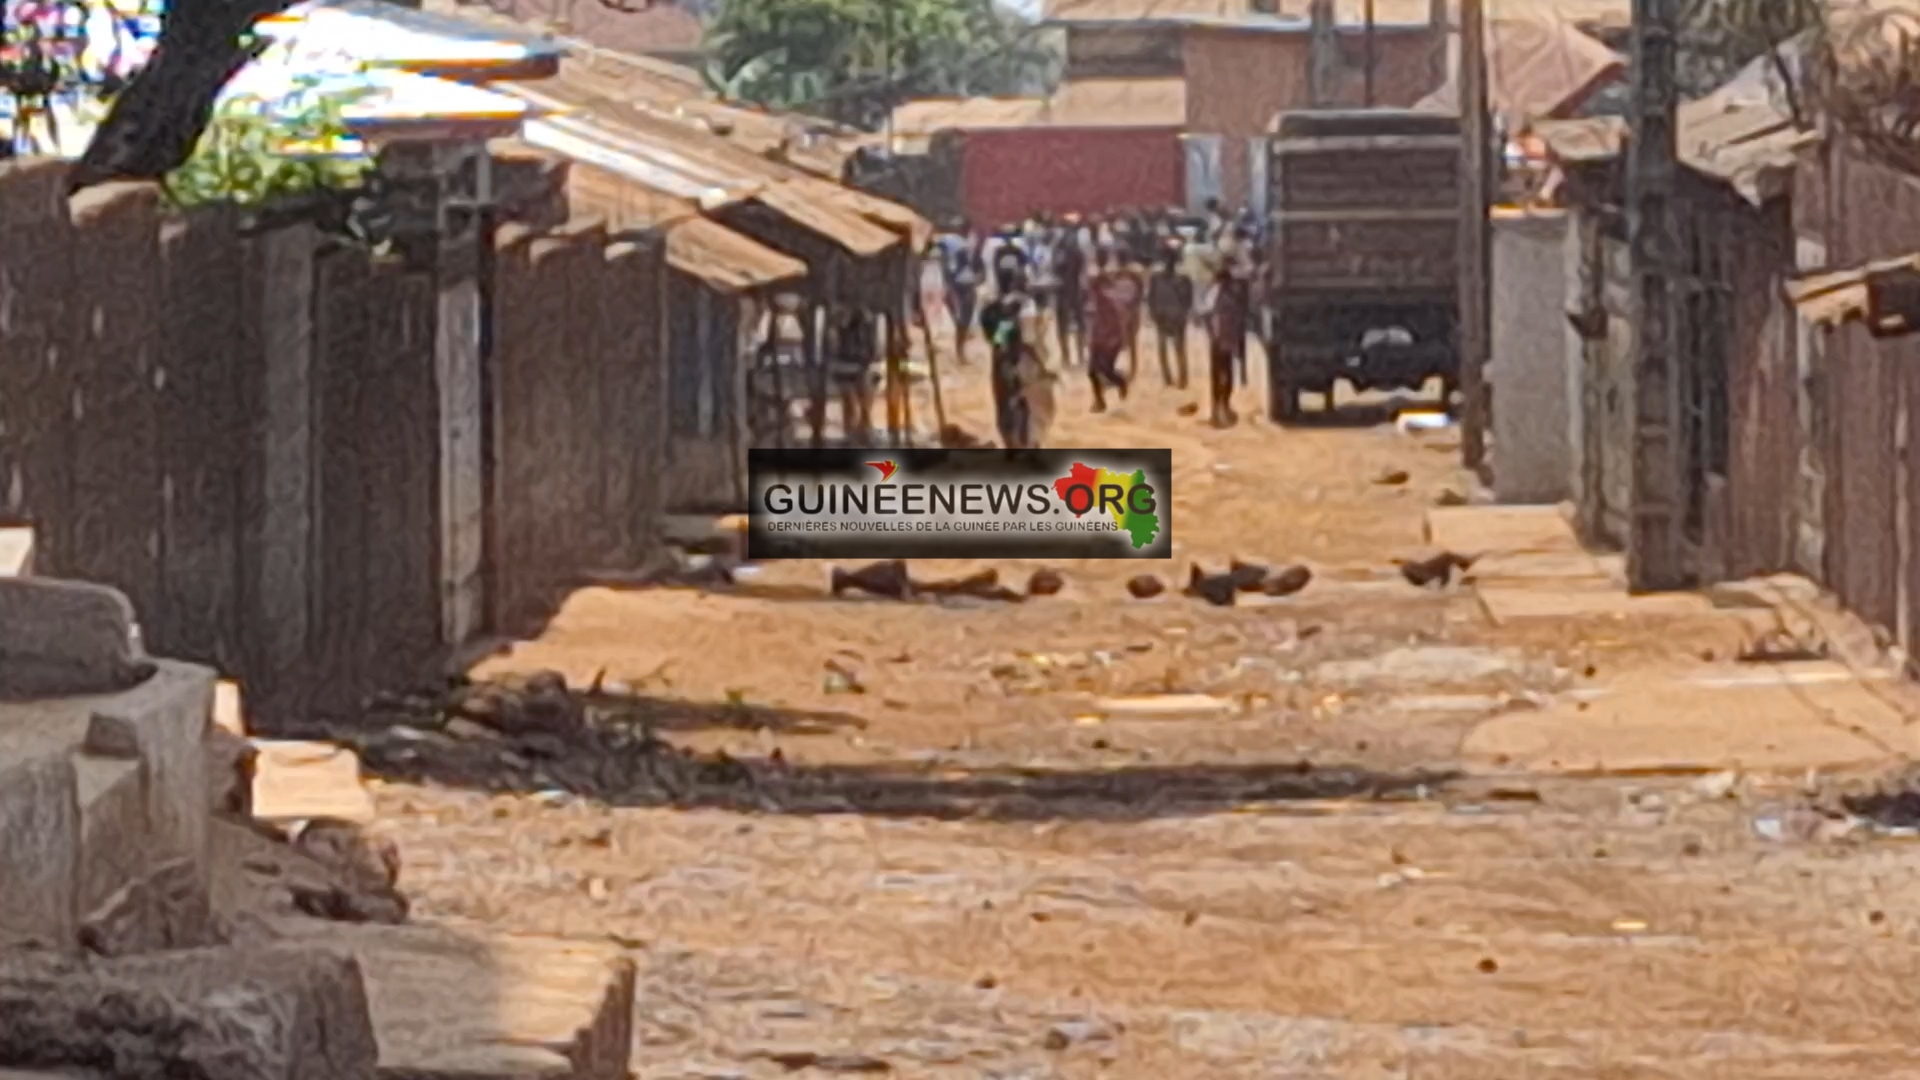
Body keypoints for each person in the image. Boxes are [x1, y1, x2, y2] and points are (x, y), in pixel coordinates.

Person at [979, 260, 1042, 448]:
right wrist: (1040, 363)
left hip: (1000, 362)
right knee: (1022, 403)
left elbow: (992, 337)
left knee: (1004, 404)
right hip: (1016, 360)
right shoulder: (1023, 306)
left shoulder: (990, 308)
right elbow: (1026, 339)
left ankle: (1014, 444)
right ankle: (1022, 443)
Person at [1085, 249, 1133, 413]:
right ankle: (1099, 401)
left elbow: (1119, 319)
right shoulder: (1100, 297)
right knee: (1092, 371)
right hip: (1099, 336)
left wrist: (1119, 338)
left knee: (1105, 370)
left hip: (1110, 338)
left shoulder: (1110, 297)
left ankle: (1120, 381)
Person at [1202, 261, 1250, 427]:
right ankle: (1222, 406)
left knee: (1219, 375)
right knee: (1226, 374)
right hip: (1225, 340)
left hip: (1220, 340)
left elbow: (1206, 315)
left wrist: (1211, 333)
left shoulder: (1215, 294)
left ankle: (1219, 408)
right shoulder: (1231, 296)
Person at [1147, 245, 1194, 389]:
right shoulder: (1160, 277)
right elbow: (1151, 297)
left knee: (1175, 348)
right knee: (1168, 348)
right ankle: (1171, 378)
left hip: (1172, 316)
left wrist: (1183, 313)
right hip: (1165, 316)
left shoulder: (1180, 278)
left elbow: (1188, 299)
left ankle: (1180, 379)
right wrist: (1153, 313)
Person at [936, 220, 983, 363]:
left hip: (963, 281)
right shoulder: (956, 243)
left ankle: (960, 349)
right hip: (961, 282)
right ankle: (960, 351)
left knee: (964, 317)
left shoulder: (959, 241)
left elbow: (974, 260)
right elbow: (954, 262)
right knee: (963, 317)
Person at [829, 308, 877, 444]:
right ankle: (850, 435)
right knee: (850, 403)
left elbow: (872, 344)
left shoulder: (868, 321)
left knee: (865, 403)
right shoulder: (840, 320)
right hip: (845, 364)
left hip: (862, 365)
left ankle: (865, 431)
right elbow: (834, 340)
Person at [1053, 215, 1089, 368]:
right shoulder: (1068, 246)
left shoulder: (1059, 247)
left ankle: (1068, 357)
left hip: (1066, 288)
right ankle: (1075, 356)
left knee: (1067, 323)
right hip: (1071, 288)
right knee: (1076, 323)